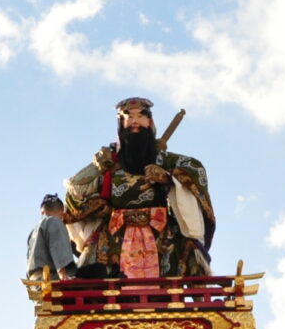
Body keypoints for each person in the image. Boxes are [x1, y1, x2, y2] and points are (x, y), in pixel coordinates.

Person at [64, 96, 214, 278]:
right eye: (129, 117)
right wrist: (96, 168)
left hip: (161, 238)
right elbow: (74, 194)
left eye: (140, 116)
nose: (135, 121)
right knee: (96, 270)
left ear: (149, 121)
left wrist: (168, 178)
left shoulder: (164, 160)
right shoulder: (110, 163)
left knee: (186, 252)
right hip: (115, 240)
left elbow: (196, 170)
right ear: (121, 123)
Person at [26, 193, 76, 278]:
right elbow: (57, 247)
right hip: (48, 278)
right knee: (96, 270)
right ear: (62, 211)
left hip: (34, 280)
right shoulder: (54, 221)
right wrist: (63, 274)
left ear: (42, 211)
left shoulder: (33, 232)